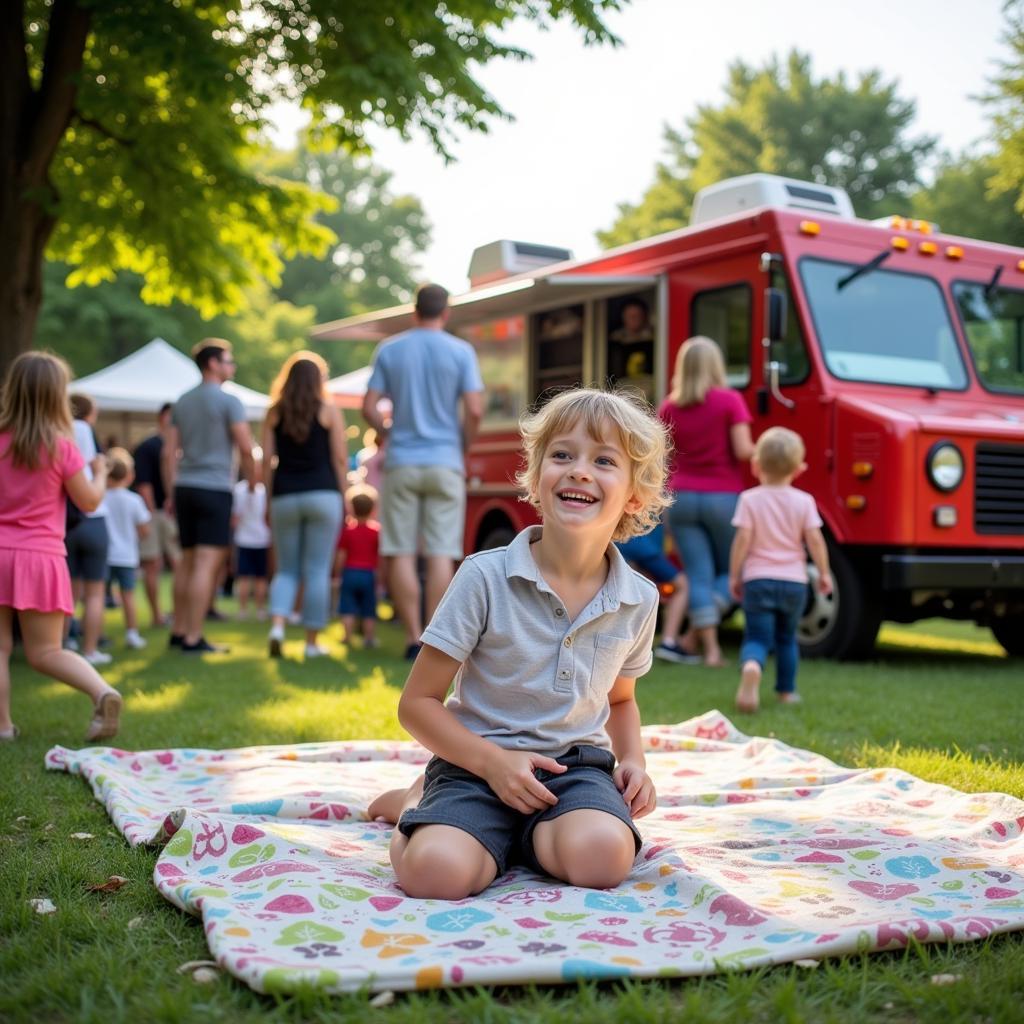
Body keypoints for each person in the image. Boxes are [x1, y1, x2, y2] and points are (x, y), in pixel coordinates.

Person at [367, 388, 668, 901]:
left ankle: (523, 838)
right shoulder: (483, 577)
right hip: (474, 767)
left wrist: (634, 759)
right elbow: (416, 704)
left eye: (603, 460)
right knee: (435, 875)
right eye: (562, 455)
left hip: (572, 773)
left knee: (604, 860)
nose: (578, 470)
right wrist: (490, 765)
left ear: (635, 495)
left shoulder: (638, 597)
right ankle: (421, 799)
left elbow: (620, 699)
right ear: (536, 475)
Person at [0, 352, 122, 742]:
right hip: (42, 557)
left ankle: (3, 727)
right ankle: (102, 692)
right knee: (46, 652)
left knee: (0, 648)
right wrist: (100, 473)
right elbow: (88, 502)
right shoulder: (62, 447)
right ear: (57, 395)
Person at [362, 283, 485, 660]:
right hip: (445, 461)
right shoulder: (461, 351)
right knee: (440, 552)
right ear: (446, 313)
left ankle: (412, 637)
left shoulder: (391, 349)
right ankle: (434, 640)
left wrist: (387, 433)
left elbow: (368, 406)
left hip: (402, 461)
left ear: (414, 311)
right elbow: (476, 410)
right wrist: (461, 446)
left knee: (399, 549)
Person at [659, 337, 753, 667]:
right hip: (723, 497)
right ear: (716, 365)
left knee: (698, 575)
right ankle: (699, 643)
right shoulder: (730, 401)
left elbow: (661, 456)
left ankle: (706, 649)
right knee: (738, 570)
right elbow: (744, 451)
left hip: (681, 497)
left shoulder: (669, 406)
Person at [729, 427, 833, 713]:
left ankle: (752, 665)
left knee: (757, 638)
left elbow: (742, 541)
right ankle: (786, 692)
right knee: (787, 639)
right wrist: (823, 573)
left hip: (758, 579)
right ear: (799, 469)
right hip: (794, 582)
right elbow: (815, 540)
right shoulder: (804, 501)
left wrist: (736, 574)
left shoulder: (750, 499)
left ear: (756, 464)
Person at [163, 338, 256, 654]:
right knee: (206, 564)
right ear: (213, 364)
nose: (233, 366)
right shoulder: (229, 401)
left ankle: (178, 631)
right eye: (228, 360)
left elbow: (168, 452)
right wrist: (255, 482)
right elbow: (245, 447)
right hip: (214, 488)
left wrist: (171, 491)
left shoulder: (182, 401)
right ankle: (193, 636)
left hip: (184, 488)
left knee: (187, 561)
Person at [262, 352, 347, 660]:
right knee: (317, 570)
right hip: (324, 495)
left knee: (286, 569)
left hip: (285, 495)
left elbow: (268, 462)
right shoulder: (329, 411)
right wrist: (345, 494)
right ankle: (311, 643)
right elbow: (339, 458)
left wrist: (268, 499)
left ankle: (278, 626)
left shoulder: (274, 412)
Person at [65, 393, 111, 665]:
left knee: (68, 591)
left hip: (66, 520)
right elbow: (94, 474)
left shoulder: (56, 430)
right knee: (94, 592)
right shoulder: (84, 430)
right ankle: (90, 650)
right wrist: (102, 471)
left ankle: (62, 645)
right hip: (92, 517)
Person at [615, 522, 697, 665]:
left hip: (618, 538)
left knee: (627, 590)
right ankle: (668, 642)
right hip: (642, 542)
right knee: (681, 585)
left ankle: (623, 645)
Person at [133, 403, 182, 627]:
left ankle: (177, 613)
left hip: (172, 513)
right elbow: (144, 484)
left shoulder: (180, 446)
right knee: (152, 565)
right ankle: (157, 616)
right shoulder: (148, 447)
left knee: (179, 564)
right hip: (155, 513)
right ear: (163, 417)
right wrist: (150, 514)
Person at [103, 448, 152, 650]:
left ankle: (96, 635)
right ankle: (132, 633)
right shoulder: (134, 500)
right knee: (128, 596)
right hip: (126, 557)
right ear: (130, 475)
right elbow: (144, 529)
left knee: (96, 597)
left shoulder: (100, 497)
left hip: (104, 556)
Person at [335, 485, 381, 649]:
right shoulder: (376, 532)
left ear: (352, 509)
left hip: (350, 572)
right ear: (372, 509)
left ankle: (347, 637)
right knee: (369, 607)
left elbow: (341, 555)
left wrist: (337, 573)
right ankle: (369, 638)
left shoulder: (348, 531)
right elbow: (380, 556)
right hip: (368, 574)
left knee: (347, 606)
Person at [231, 465, 271, 620]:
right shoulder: (262, 491)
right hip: (258, 539)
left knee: (245, 577)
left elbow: (235, 518)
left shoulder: (239, 490)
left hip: (247, 540)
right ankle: (259, 610)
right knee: (258, 577)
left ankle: (244, 610)